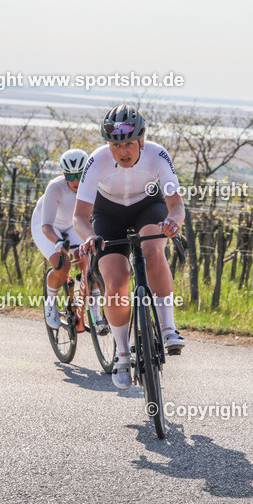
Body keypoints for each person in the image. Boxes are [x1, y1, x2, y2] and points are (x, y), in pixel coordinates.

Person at [74, 104, 185, 390]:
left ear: (141, 142)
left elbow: (176, 207)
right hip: (108, 214)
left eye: (129, 145)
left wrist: (173, 221)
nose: (123, 152)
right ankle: (123, 353)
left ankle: (168, 327)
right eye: (116, 145)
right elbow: (79, 217)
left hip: (148, 206)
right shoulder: (97, 160)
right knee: (117, 280)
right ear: (108, 146)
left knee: (153, 251)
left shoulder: (157, 154)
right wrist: (88, 236)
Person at [31, 148, 104, 332]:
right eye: (70, 177)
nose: (76, 181)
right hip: (47, 225)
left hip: (73, 224)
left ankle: (95, 311)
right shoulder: (55, 188)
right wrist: (57, 242)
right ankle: (50, 302)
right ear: (64, 175)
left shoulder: (96, 186)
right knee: (61, 265)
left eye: (80, 175)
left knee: (88, 260)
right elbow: (46, 225)